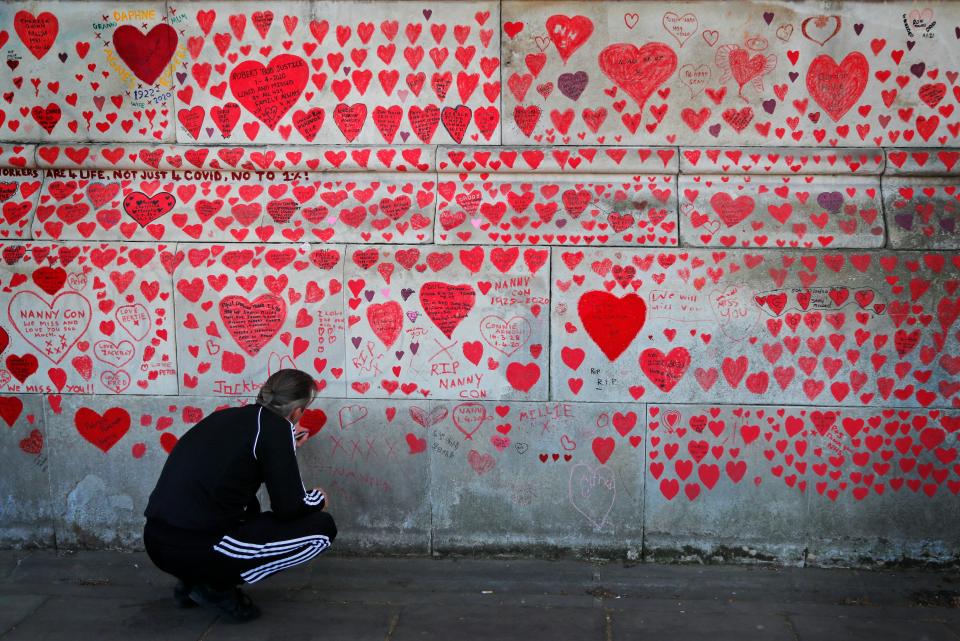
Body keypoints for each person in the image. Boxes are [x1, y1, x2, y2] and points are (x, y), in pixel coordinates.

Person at [143, 369, 336, 623]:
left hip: (156, 540)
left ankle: (193, 579)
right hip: (197, 546)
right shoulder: (275, 429)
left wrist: (284, 446)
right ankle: (214, 587)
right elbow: (289, 508)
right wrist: (318, 499)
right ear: (298, 412)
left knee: (243, 516)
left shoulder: (228, 418)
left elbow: (232, 472)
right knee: (321, 529)